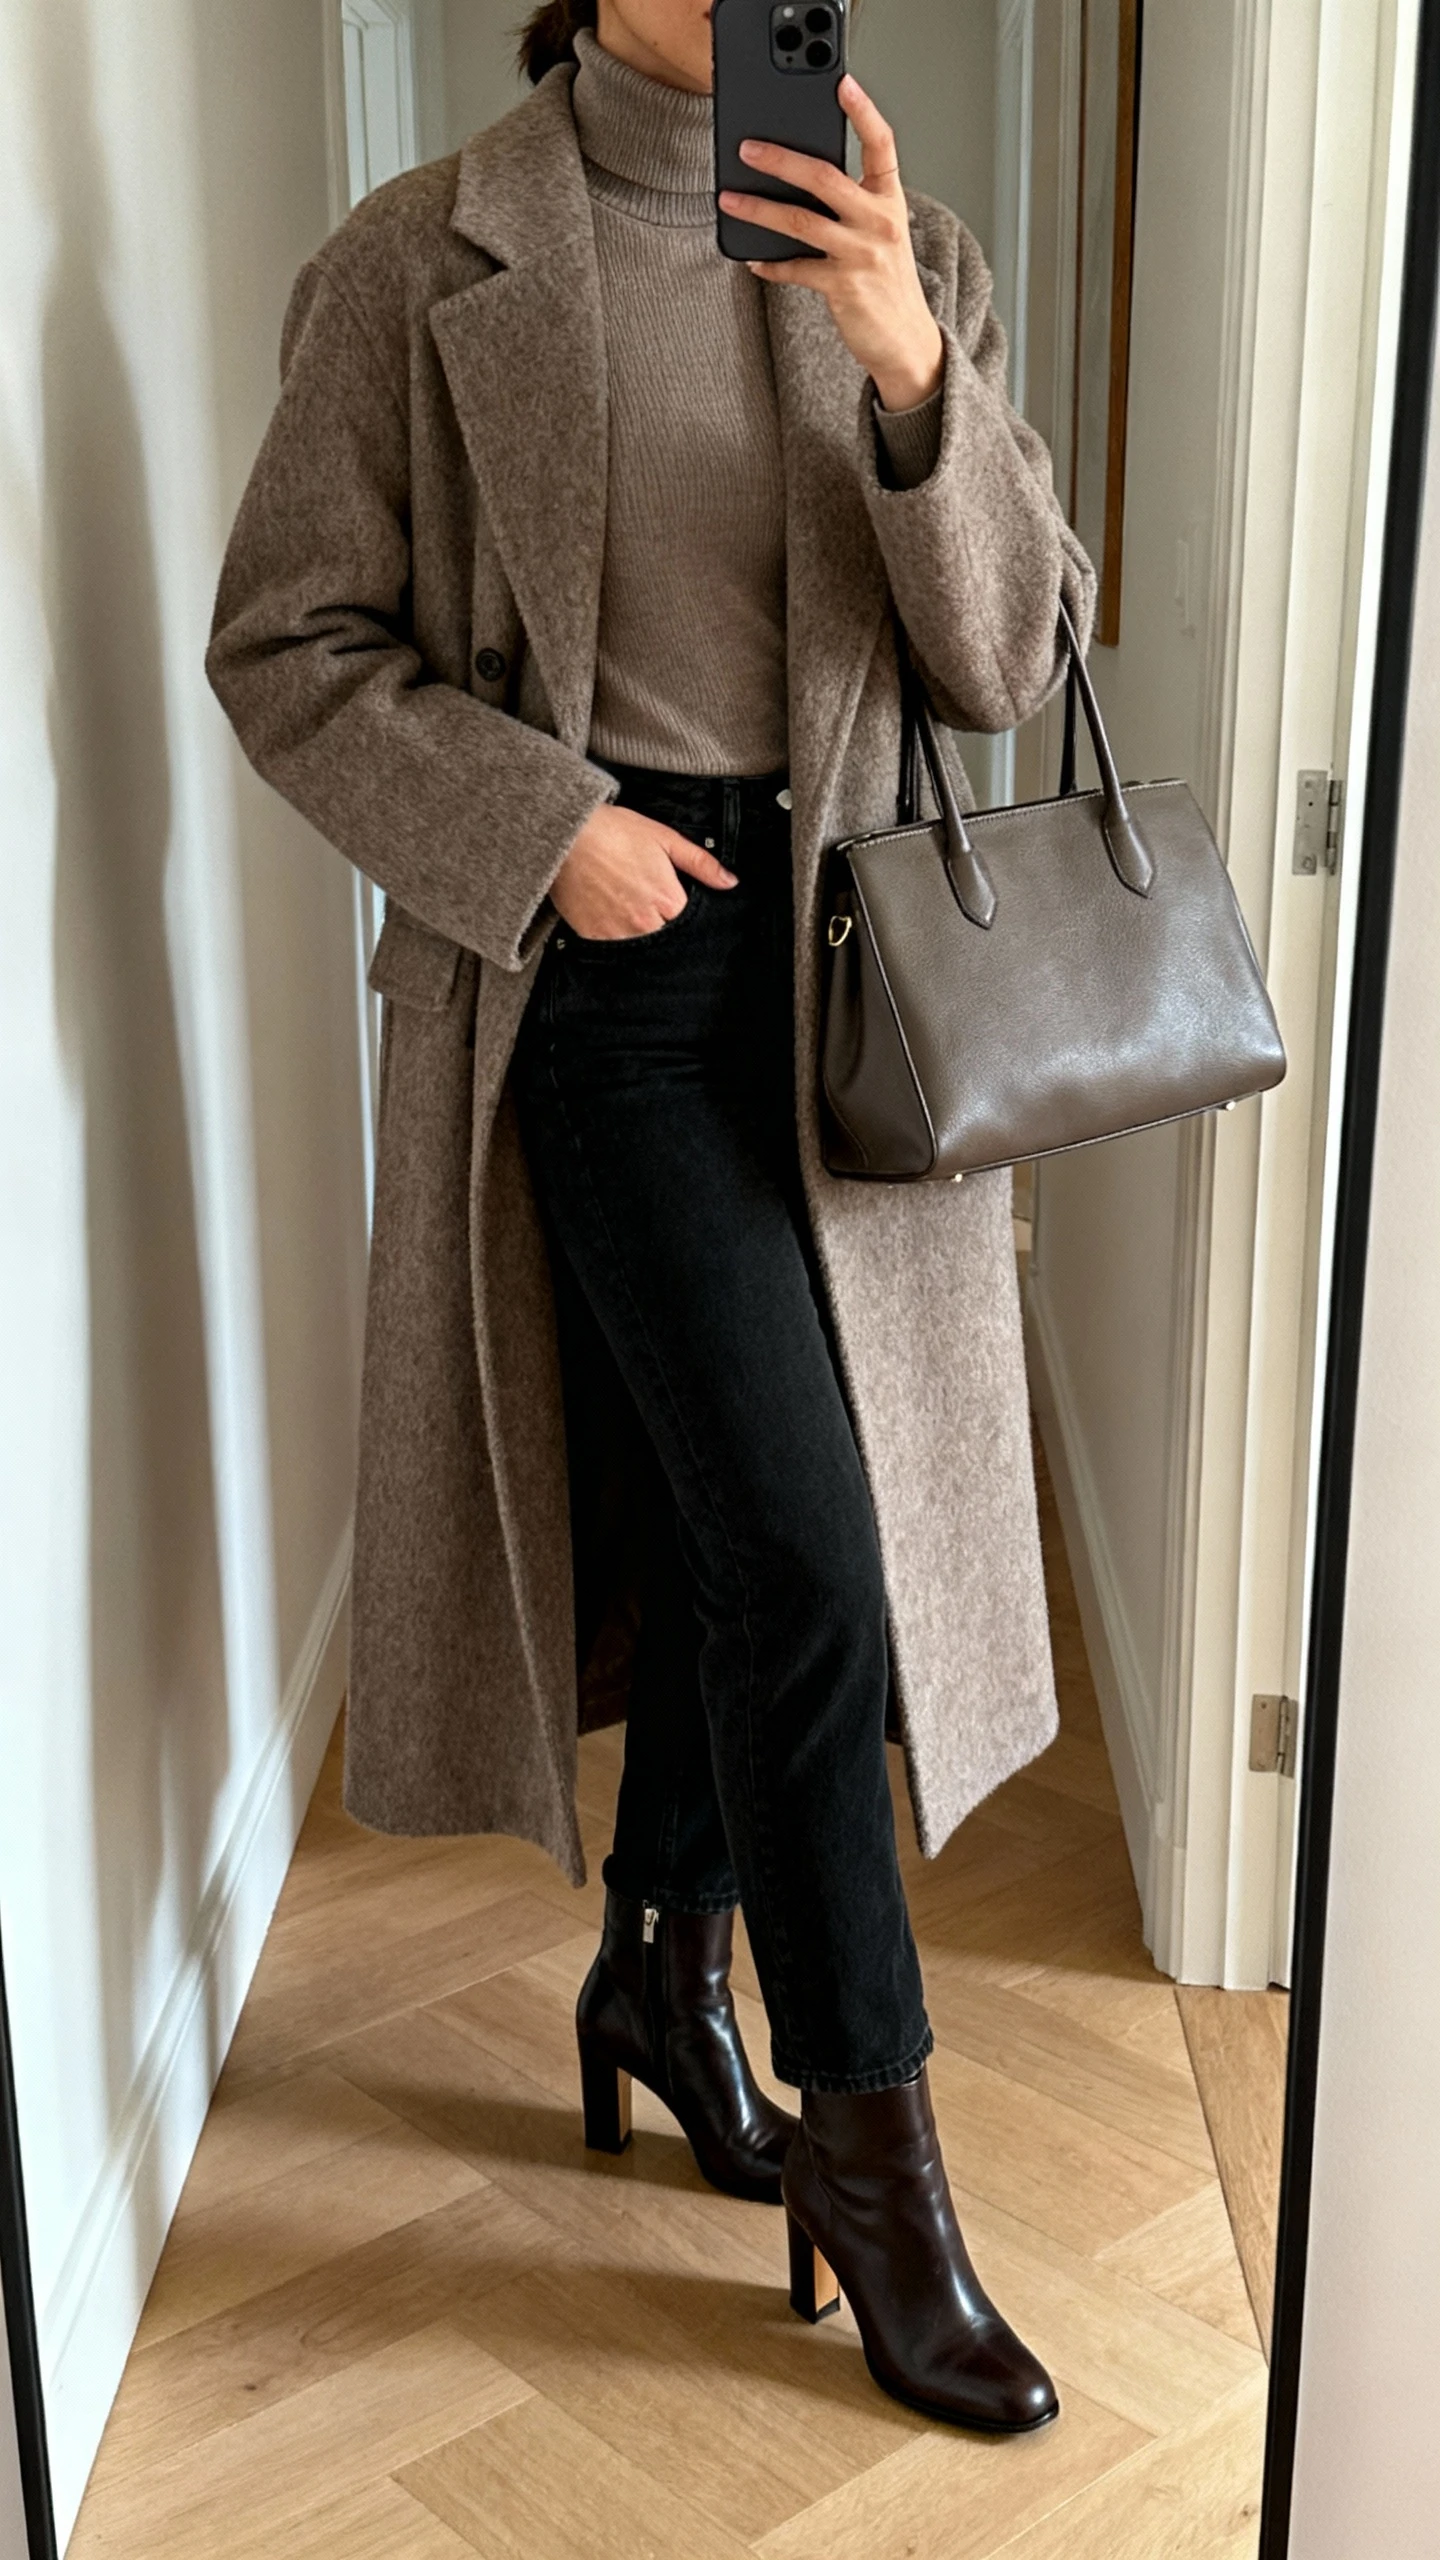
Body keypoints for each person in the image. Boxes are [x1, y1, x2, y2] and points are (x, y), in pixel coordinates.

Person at [207, 0, 1095, 2434]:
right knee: (808, 1556)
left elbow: (1009, 654)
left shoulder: (916, 245)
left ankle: (657, 1964)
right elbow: (284, 643)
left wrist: (908, 351)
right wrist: (543, 829)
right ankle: (884, 2167)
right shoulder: (422, 258)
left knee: (751, 1542)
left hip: (854, 976)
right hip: (589, 976)